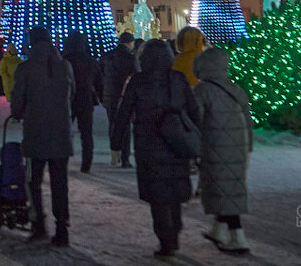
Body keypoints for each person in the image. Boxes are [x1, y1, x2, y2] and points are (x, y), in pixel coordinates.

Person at [111, 39, 201, 259]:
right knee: (175, 187)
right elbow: (193, 110)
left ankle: (165, 240)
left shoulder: (137, 81)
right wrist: (195, 134)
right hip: (176, 142)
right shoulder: (178, 79)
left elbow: (123, 113)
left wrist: (116, 141)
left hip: (148, 144)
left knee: (158, 195)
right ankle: (175, 229)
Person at [10, 26, 74, 247]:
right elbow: (71, 95)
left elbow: (17, 101)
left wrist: (18, 113)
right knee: (60, 183)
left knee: (32, 181)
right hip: (61, 133)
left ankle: (38, 224)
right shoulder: (64, 66)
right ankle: (62, 228)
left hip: (35, 134)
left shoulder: (25, 68)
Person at [193, 47, 253, 254]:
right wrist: (249, 145)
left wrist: (192, 149)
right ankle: (218, 230)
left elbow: (195, 122)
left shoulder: (202, 91)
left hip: (215, 146)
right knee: (228, 187)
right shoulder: (235, 88)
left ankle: (238, 237)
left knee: (223, 189)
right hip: (239, 145)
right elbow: (248, 120)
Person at [61, 31, 102, 172]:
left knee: (65, 132)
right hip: (86, 99)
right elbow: (99, 82)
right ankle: (87, 163)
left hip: (68, 100)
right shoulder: (91, 61)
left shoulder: (65, 60)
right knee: (86, 133)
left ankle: (62, 160)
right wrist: (101, 97)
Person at [101, 32, 138, 167]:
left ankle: (114, 155)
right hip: (124, 97)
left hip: (109, 96)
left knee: (113, 125)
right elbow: (136, 77)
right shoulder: (130, 58)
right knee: (125, 127)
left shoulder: (107, 56)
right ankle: (125, 158)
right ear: (129, 43)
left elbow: (101, 77)